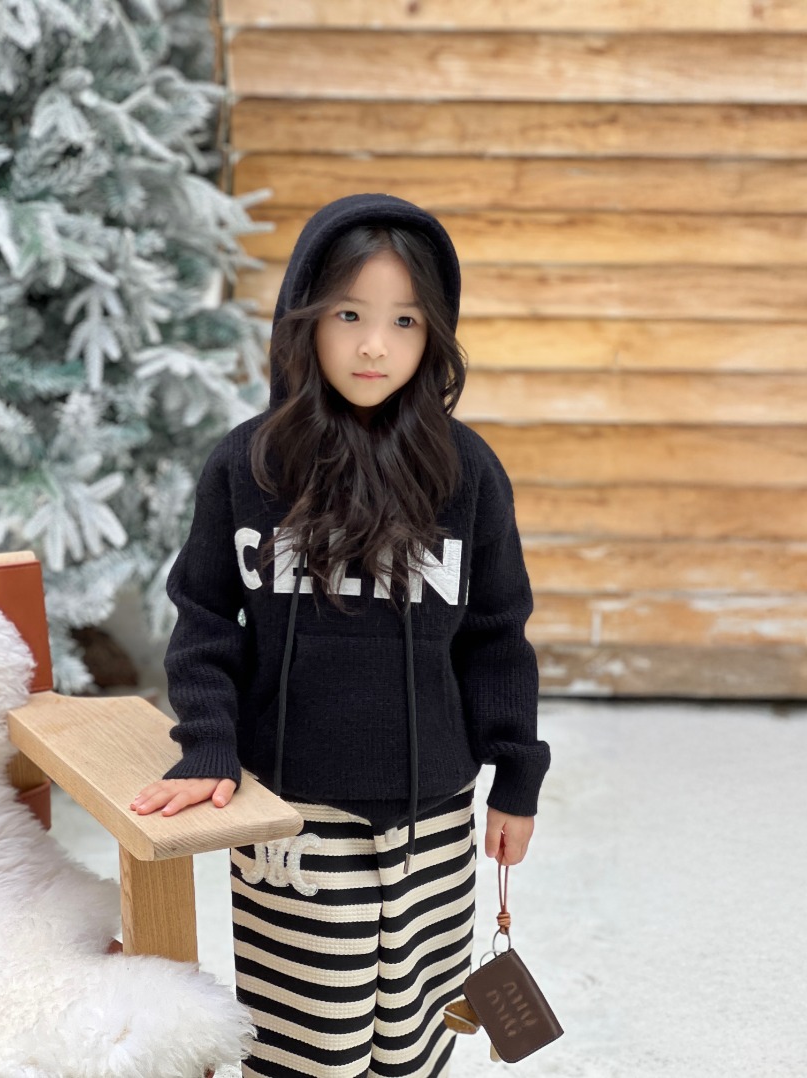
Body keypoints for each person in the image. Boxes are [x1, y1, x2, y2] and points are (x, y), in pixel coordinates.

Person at [131, 193, 550, 1078]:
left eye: (404, 321)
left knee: (415, 1036)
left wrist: (516, 774)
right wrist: (207, 743)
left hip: (436, 810)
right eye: (350, 315)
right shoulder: (248, 466)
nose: (374, 347)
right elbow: (204, 616)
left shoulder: (467, 473)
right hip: (294, 818)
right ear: (305, 318)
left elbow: (496, 634)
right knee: (310, 1044)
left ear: (434, 334)